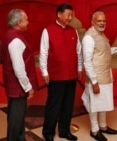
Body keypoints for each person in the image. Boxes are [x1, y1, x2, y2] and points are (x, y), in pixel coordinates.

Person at [81, 11, 117, 141]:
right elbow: (87, 61)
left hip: (106, 76)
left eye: (104, 21)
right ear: (92, 22)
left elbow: (103, 52)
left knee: (103, 104)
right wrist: (94, 82)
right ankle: (95, 130)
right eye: (99, 21)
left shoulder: (101, 35)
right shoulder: (89, 37)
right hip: (96, 78)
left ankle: (103, 127)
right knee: (95, 105)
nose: (102, 23)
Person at [39, 3, 82, 141]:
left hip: (71, 75)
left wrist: (79, 68)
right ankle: (48, 132)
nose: (70, 18)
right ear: (59, 14)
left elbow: (78, 52)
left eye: (72, 15)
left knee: (68, 105)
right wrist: (44, 72)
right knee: (53, 105)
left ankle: (64, 131)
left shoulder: (73, 31)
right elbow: (43, 52)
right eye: (68, 15)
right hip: (56, 76)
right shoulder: (48, 30)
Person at [2, 9, 38, 141]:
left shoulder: (11, 34)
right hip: (17, 87)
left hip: (14, 86)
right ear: (19, 22)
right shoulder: (15, 40)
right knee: (16, 118)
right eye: (26, 19)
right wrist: (28, 87)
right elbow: (18, 68)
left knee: (16, 116)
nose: (28, 22)